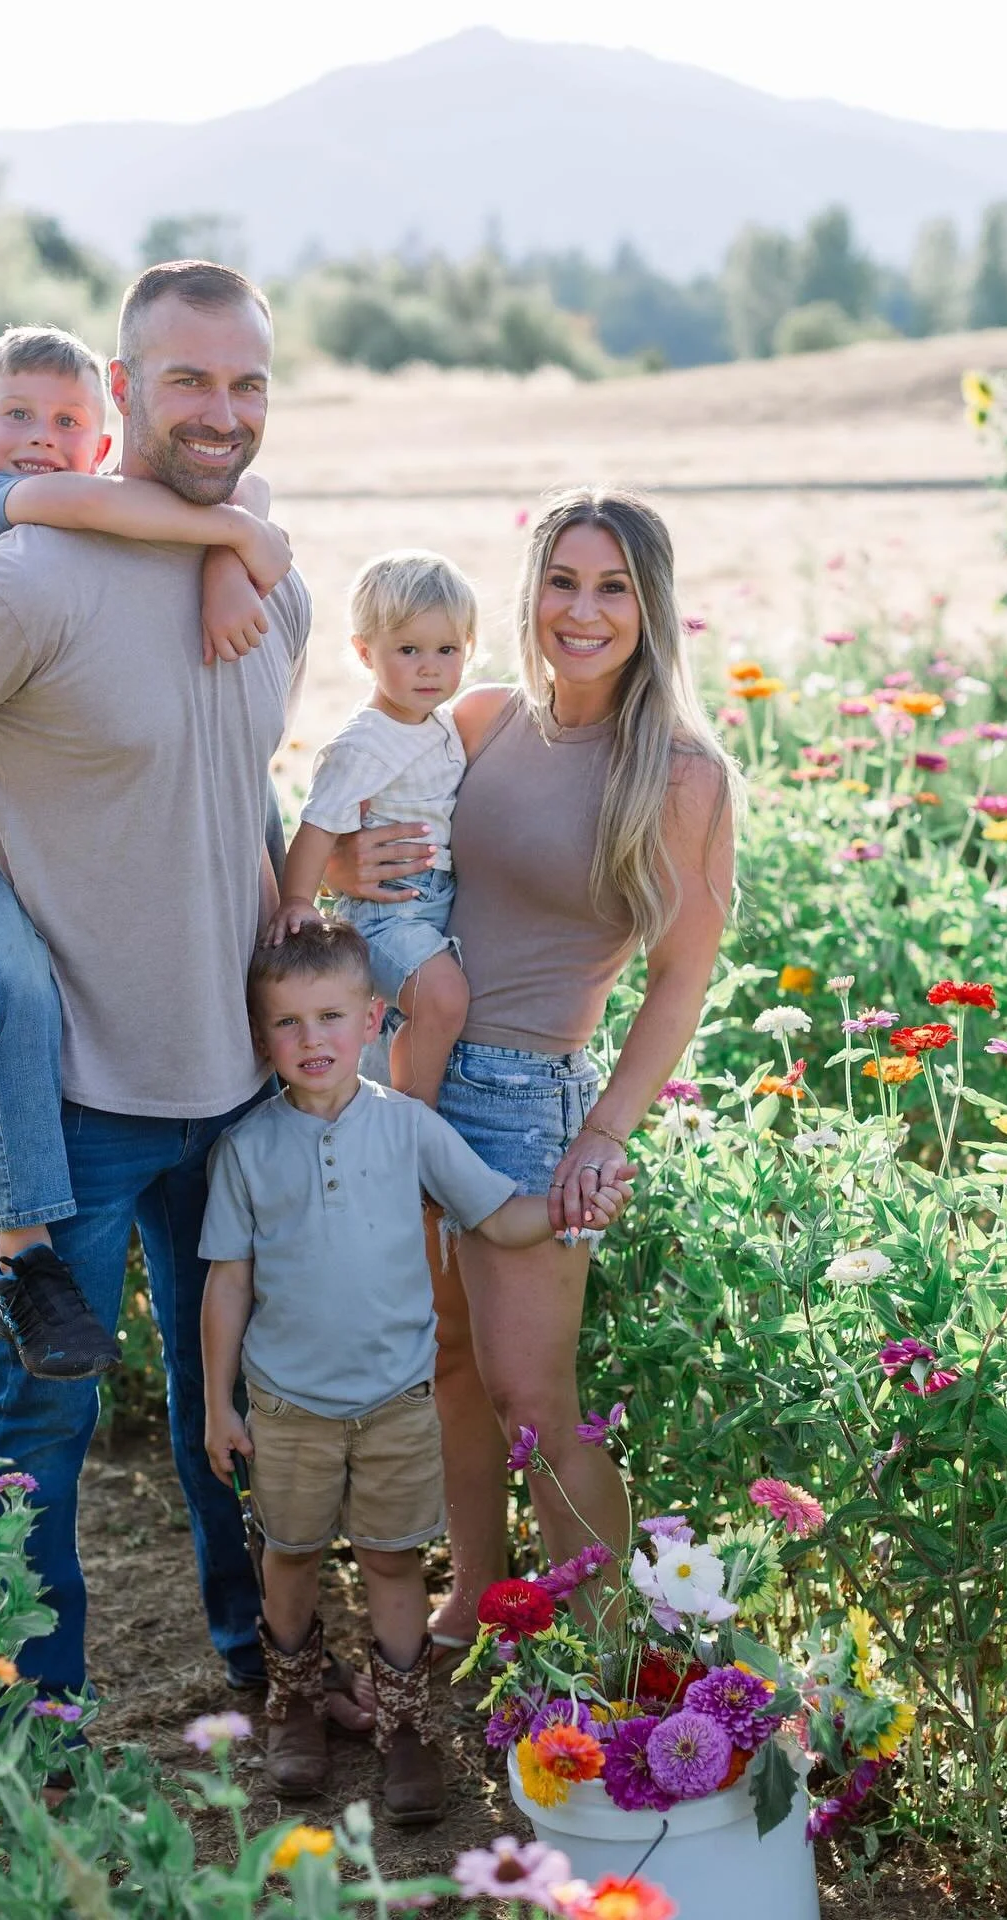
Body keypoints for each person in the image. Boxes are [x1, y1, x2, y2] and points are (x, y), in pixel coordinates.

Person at [0, 260, 322, 1703]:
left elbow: (237, 793)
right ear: (126, 389)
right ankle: (28, 1721)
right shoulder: (17, 578)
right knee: (43, 1417)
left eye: (248, 381)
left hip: (237, 1088)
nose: (221, 410)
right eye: (190, 379)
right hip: (81, 1093)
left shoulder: (270, 582)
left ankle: (268, 1668)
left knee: (242, 1400)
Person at [323, 487, 738, 1653]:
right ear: (532, 592)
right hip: (412, 1073)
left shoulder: (680, 776)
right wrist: (349, 866)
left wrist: (602, 1134)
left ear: (651, 607)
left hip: (528, 1103)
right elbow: (390, 866)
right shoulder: (480, 721)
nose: (584, 610)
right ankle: (476, 1597)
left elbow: (678, 980)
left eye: (613, 588)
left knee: (534, 1400)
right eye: (564, 581)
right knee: (444, 1361)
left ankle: (611, 1658)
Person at [0, 322, 293, 1380]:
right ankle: (24, 1251)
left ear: (103, 427)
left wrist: (228, 549)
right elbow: (105, 500)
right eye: (17, 415)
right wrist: (237, 537)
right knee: (14, 993)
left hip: (33, 823)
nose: (40, 437)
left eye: (68, 421)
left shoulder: (123, 532)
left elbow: (223, 499)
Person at [199, 921, 627, 1821]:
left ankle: (404, 1729)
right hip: (286, 1405)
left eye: (330, 1016)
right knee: (290, 1557)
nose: (311, 1040)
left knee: (395, 1563)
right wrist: (217, 1404)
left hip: (396, 1401)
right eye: (286, 1023)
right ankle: (295, 1711)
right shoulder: (246, 1149)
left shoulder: (410, 1130)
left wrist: (572, 1204)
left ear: (373, 1021)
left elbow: (497, 1218)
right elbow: (228, 1284)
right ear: (259, 1036)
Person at [265, 551, 475, 1104]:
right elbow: (319, 823)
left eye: (447, 650)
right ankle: (416, 1110)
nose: (429, 667)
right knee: (443, 996)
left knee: (403, 1023)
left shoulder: (440, 724)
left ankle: (390, 1096)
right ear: (364, 652)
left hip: (431, 905)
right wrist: (297, 900)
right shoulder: (367, 740)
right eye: (408, 650)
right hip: (386, 916)